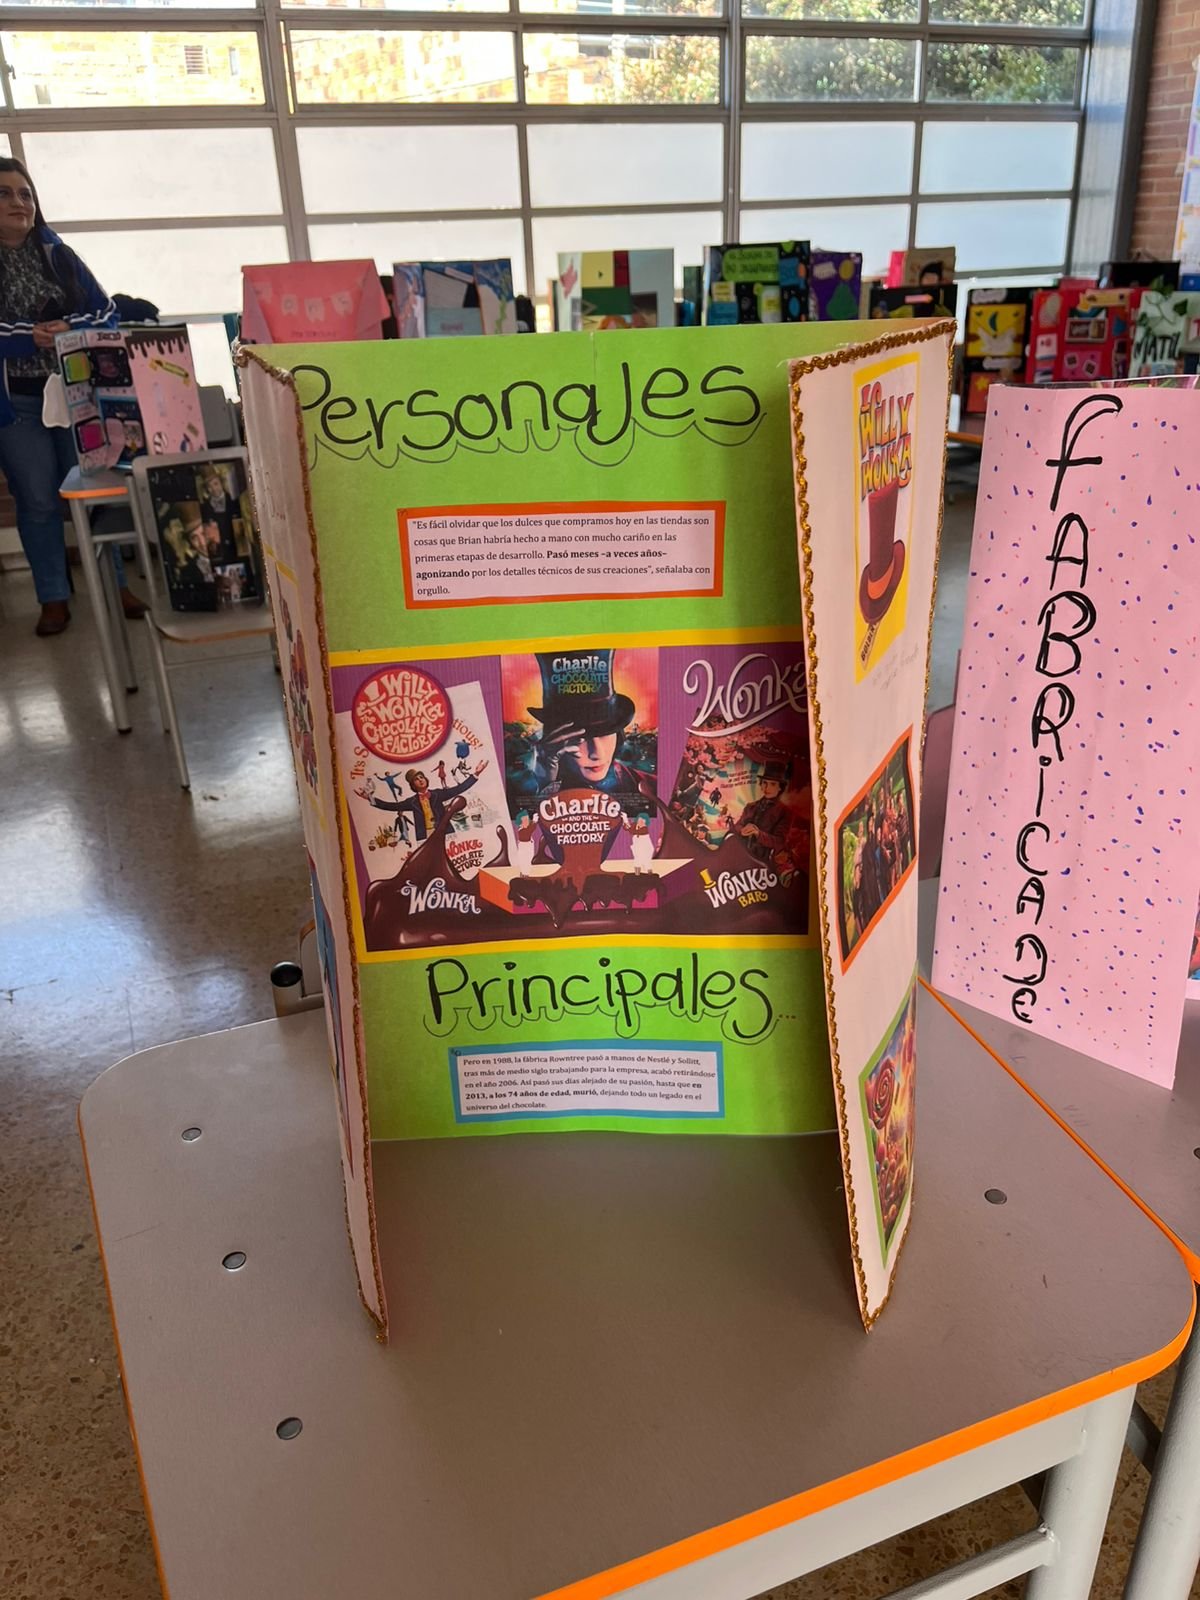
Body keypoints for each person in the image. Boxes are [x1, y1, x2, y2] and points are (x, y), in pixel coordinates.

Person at [0, 158, 144, 636]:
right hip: (17, 406)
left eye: (25, 193)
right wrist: (28, 337)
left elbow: (106, 313)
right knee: (38, 500)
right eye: (4, 193)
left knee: (95, 492)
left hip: (77, 395)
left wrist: (69, 326)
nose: (18, 202)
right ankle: (53, 596)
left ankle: (114, 585)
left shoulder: (59, 254)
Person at [367, 762, 487, 845]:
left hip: (444, 832)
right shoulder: (412, 801)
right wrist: (370, 798)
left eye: (421, 777)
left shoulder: (437, 794)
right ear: (413, 785)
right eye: (416, 779)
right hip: (425, 835)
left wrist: (475, 774)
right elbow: (392, 806)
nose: (420, 780)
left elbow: (458, 789)